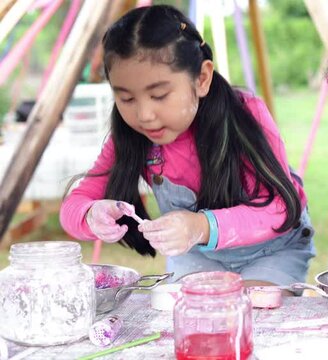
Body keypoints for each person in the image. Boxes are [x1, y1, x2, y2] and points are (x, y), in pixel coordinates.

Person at [60, 5, 315, 287]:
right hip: (198, 256)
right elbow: (74, 206)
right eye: (127, 99)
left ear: (202, 78)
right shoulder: (132, 137)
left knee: (249, 313)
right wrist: (91, 215)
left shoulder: (244, 116)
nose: (144, 115)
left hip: (273, 251)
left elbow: (280, 207)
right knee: (196, 316)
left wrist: (200, 226)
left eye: (159, 95)